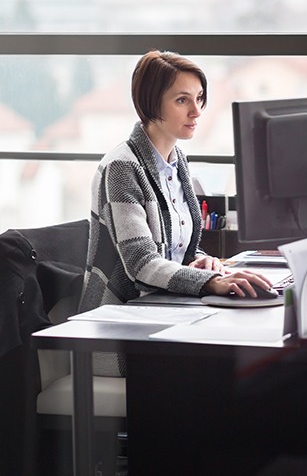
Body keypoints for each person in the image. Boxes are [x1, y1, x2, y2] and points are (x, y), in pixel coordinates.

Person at [79, 50, 272, 375]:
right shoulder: (122, 167)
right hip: (119, 328)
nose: (196, 111)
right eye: (182, 100)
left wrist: (200, 259)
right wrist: (210, 281)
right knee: (225, 370)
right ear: (152, 103)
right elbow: (141, 262)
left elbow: (173, 247)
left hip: (163, 311)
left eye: (199, 98)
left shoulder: (176, 159)